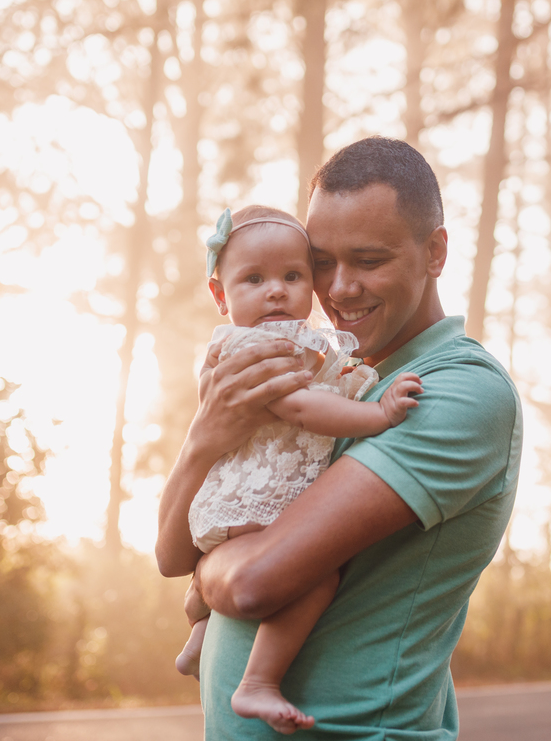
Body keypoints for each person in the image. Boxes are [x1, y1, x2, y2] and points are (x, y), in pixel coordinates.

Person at [156, 136, 522, 739]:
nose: (339, 288)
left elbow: (252, 584)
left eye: (370, 260)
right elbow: (171, 556)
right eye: (323, 261)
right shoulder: (332, 379)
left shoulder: (454, 392)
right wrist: (203, 437)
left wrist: (209, 573)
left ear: (435, 251)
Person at [176, 203, 424, 733]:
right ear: (221, 296)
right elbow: (302, 408)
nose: (276, 291)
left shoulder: (281, 345)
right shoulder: (260, 348)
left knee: (230, 567)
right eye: (254, 279)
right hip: (257, 499)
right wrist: (378, 412)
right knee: (313, 575)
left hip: (235, 500)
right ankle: (258, 682)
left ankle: (200, 631)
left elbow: (325, 385)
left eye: (293, 276)